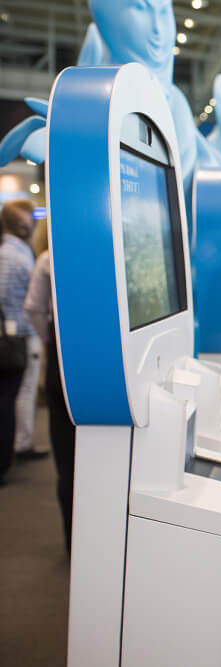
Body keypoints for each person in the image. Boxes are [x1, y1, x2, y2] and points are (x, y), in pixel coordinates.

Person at [24, 223, 76, 553]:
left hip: (62, 365)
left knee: (67, 464)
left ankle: (74, 543)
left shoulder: (47, 259)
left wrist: (49, 340)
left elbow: (33, 309)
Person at [0, 199, 44, 468]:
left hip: (11, 335)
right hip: (19, 336)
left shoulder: (7, 252)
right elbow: (30, 300)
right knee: (21, 393)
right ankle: (20, 443)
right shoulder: (17, 255)